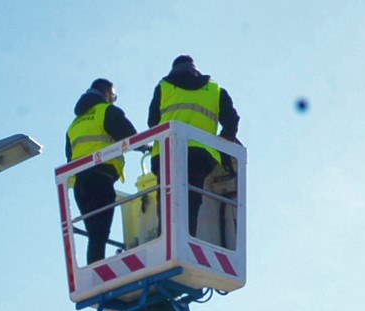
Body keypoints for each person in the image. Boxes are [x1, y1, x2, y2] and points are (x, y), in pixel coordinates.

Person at [147, 55, 239, 235]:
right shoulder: (214, 89)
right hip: (200, 155)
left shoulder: (163, 87)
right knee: (192, 198)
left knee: (167, 199)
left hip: (168, 151)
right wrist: (224, 140)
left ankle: (165, 239)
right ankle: (186, 238)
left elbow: (152, 122)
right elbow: (231, 120)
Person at [66, 78, 135, 263]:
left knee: (95, 234)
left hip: (81, 185)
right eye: (113, 96)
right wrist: (146, 147)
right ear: (107, 94)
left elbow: (69, 157)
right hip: (101, 179)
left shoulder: (74, 124)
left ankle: (95, 270)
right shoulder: (105, 111)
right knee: (100, 232)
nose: (113, 100)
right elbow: (130, 135)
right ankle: (98, 272)